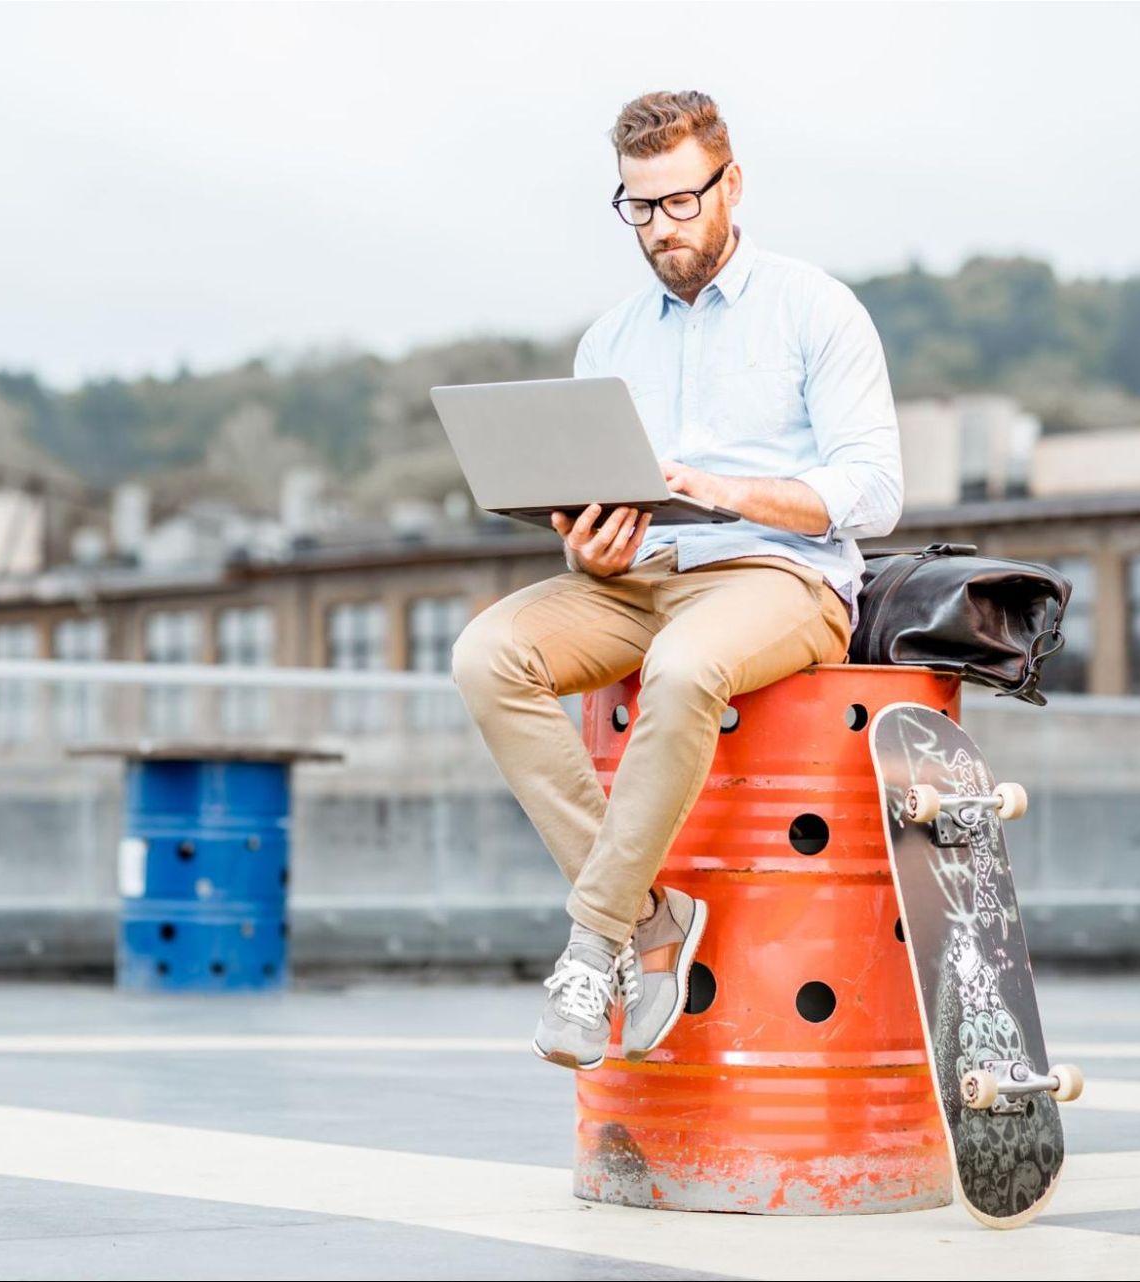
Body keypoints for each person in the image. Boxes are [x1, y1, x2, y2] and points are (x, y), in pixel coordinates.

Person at [449, 89, 904, 1071]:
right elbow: (589, 512)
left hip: (780, 579)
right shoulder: (608, 340)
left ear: (731, 183)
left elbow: (875, 491)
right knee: (488, 654)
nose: (660, 229)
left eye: (680, 203)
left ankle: (595, 937)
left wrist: (726, 489)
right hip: (640, 574)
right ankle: (656, 919)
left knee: (686, 662)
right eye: (639, 208)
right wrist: (588, 546)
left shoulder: (814, 307)